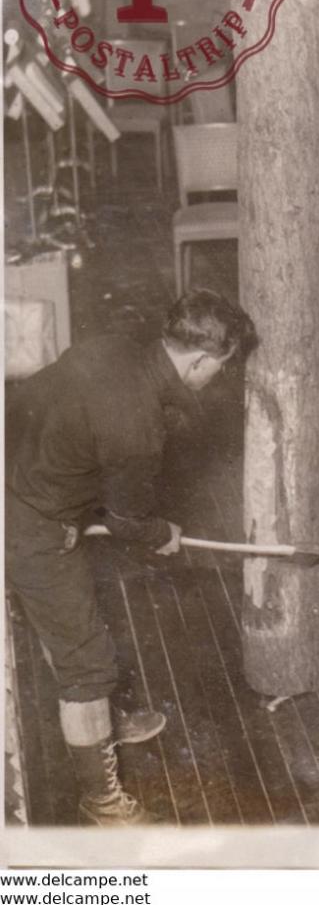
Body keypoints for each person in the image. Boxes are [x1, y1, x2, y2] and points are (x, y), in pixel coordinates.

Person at [5, 289, 256, 826]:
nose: (218, 377)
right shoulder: (139, 429)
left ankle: (105, 721)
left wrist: (66, 510)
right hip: (25, 518)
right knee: (88, 665)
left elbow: (62, 423)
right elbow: (127, 522)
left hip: (19, 469)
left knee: (72, 626)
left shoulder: (114, 346)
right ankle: (102, 804)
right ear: (201, 360)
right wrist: (160, 532)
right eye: (221, 367)